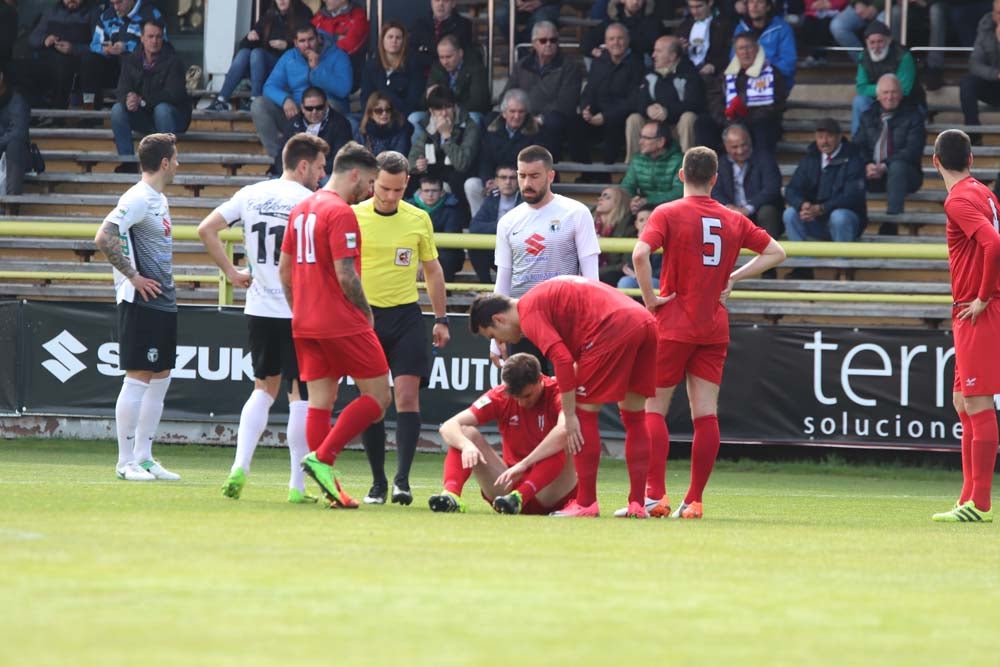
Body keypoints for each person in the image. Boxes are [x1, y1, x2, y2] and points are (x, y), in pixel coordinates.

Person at [632, 146, 786, 519]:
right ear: (715, 178)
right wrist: (732, 276)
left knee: (654, 409)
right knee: (706, 414)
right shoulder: (732, 218)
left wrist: (651, 299)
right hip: (713, 325)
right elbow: (777, 252)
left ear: (681, 175)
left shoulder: (667, 212)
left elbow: (639, 255)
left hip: (672, 322)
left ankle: (656, 495)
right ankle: (695, 500)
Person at [198, 133, 328, 503]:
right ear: (303, 165)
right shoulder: (312, 202)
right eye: (319, 168)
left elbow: (206, 229)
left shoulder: (251, 194)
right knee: (300, 395)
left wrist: (230, 272)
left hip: (258, 306)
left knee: (262, 389)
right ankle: (297, 487)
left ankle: (239, 466)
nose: (322, 175)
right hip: (298, 310)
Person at [468, 277, 658, 518]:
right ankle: (637, 505)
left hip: (612, 328)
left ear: (499, 319)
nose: (499, 342)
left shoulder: (528, 312)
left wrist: (568, 415)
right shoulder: (540, 300)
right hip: (644, 321)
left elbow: (563, 360)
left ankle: (587, 503)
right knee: (634, 417)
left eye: (492, 335)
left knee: (581, 414)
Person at [278, 141, 392, 508]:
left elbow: (284, 272)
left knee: (320, 404)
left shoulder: (301, 209)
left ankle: (330, 484)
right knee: (378, 397)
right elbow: (346, 275)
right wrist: (366, 313)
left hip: (305, 322)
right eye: (371, 181)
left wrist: (301, 311)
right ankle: (323, 458)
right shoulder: (341, 212)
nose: (371, 190)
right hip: (341, 319)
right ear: (356, 174)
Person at [351, 151, 452, 505]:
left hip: (407, 316)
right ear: (371, 183)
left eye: (396, 190)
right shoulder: (353, 217)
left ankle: (402, 481)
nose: (390, 196)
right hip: (366, 320)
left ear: (406, 183)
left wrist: (440, 318)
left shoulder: (418, 218)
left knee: (408, 397)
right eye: (383, 189)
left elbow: (434, 270)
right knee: (375, 403)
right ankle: (377, 482)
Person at [93, 133, 182, 482]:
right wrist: (133, 277)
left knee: (160, 377)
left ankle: (144, 456)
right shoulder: (139, 197)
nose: (178, 164)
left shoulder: (158, 198)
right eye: (175, 158)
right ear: (164, 163)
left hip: (162, 302)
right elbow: (104, 235)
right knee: (138, 377)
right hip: (142, 303)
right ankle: (124, 461)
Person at [930, 129, 1000, 523]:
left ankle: (981, 504)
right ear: (971, 159)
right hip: (972, 309)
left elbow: (993, 244)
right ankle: (967, 498)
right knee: (963, 402)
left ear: (935, 161)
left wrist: (984, 296)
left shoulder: (958, 199)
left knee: (978, 402)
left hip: (979, 309)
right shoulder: (985, 193)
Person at [492, 145, 601, 370]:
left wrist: (592, 323)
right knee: (525, 396)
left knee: (565, 393)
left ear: (550, 176)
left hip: (565, 320)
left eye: (534, 176)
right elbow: (503, 278)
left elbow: (591, 277)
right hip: (521, 321)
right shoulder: (508, 221)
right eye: (522, 176)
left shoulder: (575, 212)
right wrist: (496, 334)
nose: (526, 183)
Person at [430, 353, 577, 515]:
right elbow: (448, 426)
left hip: (552, 493)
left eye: (527, 396)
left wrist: (525, 463)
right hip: (508, 490)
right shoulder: (500, 395)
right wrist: (466, 445)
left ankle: (521, 496)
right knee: (464, 432)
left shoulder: (558, 391)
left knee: (564, 436)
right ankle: (451, 495)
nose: (521, 403)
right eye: (516, 398)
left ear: (540, 379)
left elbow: (564, 429)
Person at [252, 24, 352, 160]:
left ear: (318, 38)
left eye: (311, 39)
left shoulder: (338, 55)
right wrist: (285, 100)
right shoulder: (289, 57)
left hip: (327, 113)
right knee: (259, 105)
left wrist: (317, 69)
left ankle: (325, 159)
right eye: (302, 41)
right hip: (297, 114)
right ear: (295, 43)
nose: (307, 45)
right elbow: (269, 86)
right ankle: (279, 159)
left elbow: (343, 89)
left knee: (331, 105)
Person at [110, 20, 191, 171]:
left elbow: (174, 94)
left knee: (162, 110)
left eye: (159, 37)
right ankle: (127, 162)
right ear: (142, 38)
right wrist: (129, 99)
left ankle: (163, 162)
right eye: (150, 36)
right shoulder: (131, 60)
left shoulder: (173, 61)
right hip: (144, 116)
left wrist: (143, 101)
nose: (154, 41)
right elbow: (121, 89)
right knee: (117, 110)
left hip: (173, 118)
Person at [207, 0, 313, 112]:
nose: (281, 1)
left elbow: (308, 43)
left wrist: (287, 45)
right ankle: (221, 99)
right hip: (265, 65)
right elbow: (244, 45)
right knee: (244, 53)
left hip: (289, 65)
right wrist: (250, 37)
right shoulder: (269, 14)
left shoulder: (303, 13)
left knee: (257, 53)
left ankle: (255, 100)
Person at [783, 117, 868, 256]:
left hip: (847, 221)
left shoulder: (854, 158)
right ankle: (803, 267)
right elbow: (792, 189)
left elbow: (852, 196)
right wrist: (802, 205)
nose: (824, 141)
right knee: (790, 214)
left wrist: (822, 209)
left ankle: (842, 268)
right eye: (820, 137)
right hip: (815, 219)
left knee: (839, 216)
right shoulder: (810, 158)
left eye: (829, 136)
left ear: (839, 137)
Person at [500, 21, 583, 161]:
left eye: (553, 40)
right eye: (543, 40)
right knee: (492, 120)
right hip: (523, 114)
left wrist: (541, 118)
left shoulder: (570, 67)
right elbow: (507, 94)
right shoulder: (521, 65)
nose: (548, 44)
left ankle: (548, 169)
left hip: (552, 117)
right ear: (534, 43)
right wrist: (516, 112)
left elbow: (566, 102)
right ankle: (501, 169)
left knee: (553, 123)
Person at [853, 73, 924, 232]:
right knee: (850, 166)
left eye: (893, 92)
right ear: (878, 96)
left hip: (906, 176)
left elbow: (912, 150)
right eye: (885, 93)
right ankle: (851, 221)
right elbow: (857, 146)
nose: (889, 97)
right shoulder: (867, 116)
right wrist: (867, 165)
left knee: (897, 166)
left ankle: (891, 222)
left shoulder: (914, 116)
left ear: (900, 94)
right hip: (873, 175)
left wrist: (885, 166)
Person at [569, 22, 644, 170]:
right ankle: (587, 172)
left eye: (620, 38)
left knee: (614, 127)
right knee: (573, 124)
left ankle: (606, 175)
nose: (615, 43)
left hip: (619, 118)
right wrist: (586, 109)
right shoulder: (599, 62)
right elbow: (589, 90)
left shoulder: (637, 65)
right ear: (605, 42)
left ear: (628, 40)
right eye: (611, 39)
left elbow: (633, 101)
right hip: (596, 115)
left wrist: (606, 116)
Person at [625, 34, 707, 161]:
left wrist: (667, 111)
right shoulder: (649, 73)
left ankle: (686, 167)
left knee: (689, 118)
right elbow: (636, 100)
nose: (653, 55)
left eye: (658, 51)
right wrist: (647, 109)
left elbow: (695, 104)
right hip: (654, 128)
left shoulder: (690, 74)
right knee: (634, 119)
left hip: (677, 127)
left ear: (672, 56)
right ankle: (634, 166)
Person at [464, 89, 542, 216]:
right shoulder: (492, 131)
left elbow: (536, 166)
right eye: (512, 111)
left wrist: (510, 180)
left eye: (521, 111)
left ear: (526, 113)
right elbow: (485, 160)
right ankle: (480, 224)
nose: (516, 116)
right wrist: (488, 180)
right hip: (496, 181)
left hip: (521, 183)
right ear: (504, 113)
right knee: (472, 184)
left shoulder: (537, 133)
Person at [708, 32, 787, 152]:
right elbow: (714, 101)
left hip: (759, 122)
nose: (745, 52)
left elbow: (775, 104)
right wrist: (727, 120)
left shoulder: (772, 73)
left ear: (756, 49)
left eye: (749, 47)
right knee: (702, 124)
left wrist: (744, 121)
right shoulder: (725, 76)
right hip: (729, 121)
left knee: (763, 127)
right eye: (741, 48)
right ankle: (708, 167)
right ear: (736, 52)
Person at [81, 0, 164, 110]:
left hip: (139, 70)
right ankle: (89, 111)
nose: (115, 7)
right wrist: (105, 50)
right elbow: (94, 44)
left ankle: (129, 110)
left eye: (119, 2)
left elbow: (160, 46)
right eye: (113, 3)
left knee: (128, 58)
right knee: (89, 60)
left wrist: (126, 47)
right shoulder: (107, 15)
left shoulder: (151, 14)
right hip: (112, 67)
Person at [407, 85, 480, 210]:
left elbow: (462, 164)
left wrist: (447, 137)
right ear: (431, 111)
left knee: (454, 181)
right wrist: (417, 165)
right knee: (410, 181)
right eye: (439, 109)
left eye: (448, 107)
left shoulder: (469, 126)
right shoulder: (428, 126)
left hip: (459, 176)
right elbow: (412, 159)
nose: (444, 113)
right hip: (434, 174)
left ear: (455, 107)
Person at [850, 20, 924, 135]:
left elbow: (903, 90)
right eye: (872, 42)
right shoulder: (863, 56)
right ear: (866, 42)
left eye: (880, 41)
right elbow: (861, 88)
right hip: (878, 100)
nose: (876, 46)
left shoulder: (904, 55)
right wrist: (885, 91)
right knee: (859, 101)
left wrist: (882, 92)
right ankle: (856, 145)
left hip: (907, 102)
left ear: (889, 40)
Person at [21, 0, 99, 108]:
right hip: (51, 61)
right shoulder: (51, 11)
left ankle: (81, 111)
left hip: (80, 60)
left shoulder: (93, 12)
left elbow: (99, 45)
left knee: (81, 63)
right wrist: (45, 40)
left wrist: (73, 49)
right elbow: (32, 39)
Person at [712, 123, 783, 239]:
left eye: (743, 145)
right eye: (734, 147)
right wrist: (729, 207)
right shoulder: (719, 164)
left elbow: (772, 189)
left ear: (749, 140)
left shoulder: (765, 159)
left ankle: (770, 252)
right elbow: (714, 190)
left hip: (757, 210)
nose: (740, 151)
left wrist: (748, 208)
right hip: (731, 213)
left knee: (768, 211)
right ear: (726, 146)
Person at [272, 86, 352, 176]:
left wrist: (313, 173)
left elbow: (340, 158)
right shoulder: (292, 124)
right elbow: (282, 155)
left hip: (326, 174)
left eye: (319, 107)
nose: (314, 112)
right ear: (302, 108)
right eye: (309, 108)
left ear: (326, 106)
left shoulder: (340, 124)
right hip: (297, 174)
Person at [468, 163, 521, 284]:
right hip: (496, 249)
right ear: (496, 181)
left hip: (518, 251)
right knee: (474, 247)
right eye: (503, 177)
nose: (508, 182)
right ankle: (485, 285)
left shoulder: (525, 199)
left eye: (512, 178)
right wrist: (503, 226)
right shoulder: (492, 198)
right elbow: (475, 227)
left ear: (519, 181)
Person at [359, 21, 424, 119]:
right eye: (390, 37)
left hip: (403, 116)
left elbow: (414, 99)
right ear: (382, 40)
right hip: (376, 115)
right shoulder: (371, 66)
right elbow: (366, 97)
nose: (394, 41)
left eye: (398, 38)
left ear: (404, 41)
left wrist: (393, 115)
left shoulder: (413, 65)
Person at [409, 174, 466, 281]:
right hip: (416, 253)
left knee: (447, 256)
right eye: (426, 191)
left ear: (442, 192)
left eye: (434, 191)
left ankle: (444, 294)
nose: (430, 194)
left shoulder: (453, 207)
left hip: (442, 254)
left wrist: (425, 261)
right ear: (420, 192)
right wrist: (419, 260)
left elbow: (449, 241)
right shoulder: (409, 207)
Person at [423, 34, 491, 121]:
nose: (445, 62)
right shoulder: (437, 68)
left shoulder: (476, 68)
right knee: (414, 118)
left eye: (448, 57)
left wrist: (452, 109)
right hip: (440, 113)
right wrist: (428, 95)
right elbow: (425, 103)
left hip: (465, 113)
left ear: (460, 53)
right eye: (441, 57)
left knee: (474, 117)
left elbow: (478, 103)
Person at [620, 121, 683, 213]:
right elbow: (627, 186)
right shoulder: (638, 159)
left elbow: (679, 192)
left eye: (646, 138)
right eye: (641, 137)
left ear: (661, 142)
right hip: (643, 209)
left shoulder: (680, 160)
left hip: (672, 211)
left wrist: (648, 201)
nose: (640, 142)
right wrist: (632, 201)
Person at [733, 0, 797, 89]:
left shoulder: (782, 28)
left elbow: (788, 63)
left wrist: (765, 70)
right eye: (751, 2)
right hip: (746, 80)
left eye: (759, 2)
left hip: (775, 82)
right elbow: (734, 58)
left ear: (768, 7)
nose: (754, 6)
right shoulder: (740, 28)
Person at [960, 1, 1000, 137]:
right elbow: (975, 63)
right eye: (999, 13)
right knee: (967, 83)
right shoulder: (986, 26)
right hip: (994, 83)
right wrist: (996, 74)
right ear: (994, 15)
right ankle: (973, 135)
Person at [410, 0, 477, 75]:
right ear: (431, 2)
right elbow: (412, 55)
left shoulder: (464, 25)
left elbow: (464, 57)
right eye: (437, 0)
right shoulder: (419, 24)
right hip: (422, 78)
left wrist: (427, 54)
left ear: (453, 3)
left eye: (446, 1)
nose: (440, 3)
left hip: (451, 78)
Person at [583, 0, 665, 62]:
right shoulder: (613, 19)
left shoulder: (653, 21)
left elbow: (647, 45)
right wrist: (596, 52)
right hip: (614, 63)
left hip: (640, 65)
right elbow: (588, 39)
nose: (636, 2)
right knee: (590, 56)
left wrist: (617, 46)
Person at [676, 0, 733, 79]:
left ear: (710, 3)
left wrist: (714, 65)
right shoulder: (684, 26)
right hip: (687, 71)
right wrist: (679, 49)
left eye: (699, 6)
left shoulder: (724, 25)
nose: (695, 11)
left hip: (713, 74)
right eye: (691, 7)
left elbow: (729, 52)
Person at [592, 185, 635, 284]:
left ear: (619, 203)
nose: (600, 199)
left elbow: (624, 265)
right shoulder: (587, 222)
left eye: (607, 197)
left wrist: (595, 272)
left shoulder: (629, 226)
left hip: (611, 275)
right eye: (601, 196)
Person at [0, 65, 29, 196]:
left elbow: (19, 132)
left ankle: (10, 204)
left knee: (15, 145)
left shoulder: (16, 100)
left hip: (13, 154)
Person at [353, 91, 412, 156]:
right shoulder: (362, 131)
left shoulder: (400, 129)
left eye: (388, 110)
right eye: (379, 111)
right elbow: (356, 157)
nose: (384, 114)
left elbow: (399, 157)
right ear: (370, 114)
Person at [617, 204, 659, 289]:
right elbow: (627, 267)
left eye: (649, 219)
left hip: (656, 279)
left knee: (652, 284)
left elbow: (662, 270)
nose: (645, 223)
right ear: (636, 224)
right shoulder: (632, 241)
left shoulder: (663, 240)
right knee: (625, 283)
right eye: (641, 220)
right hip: (635, 277)